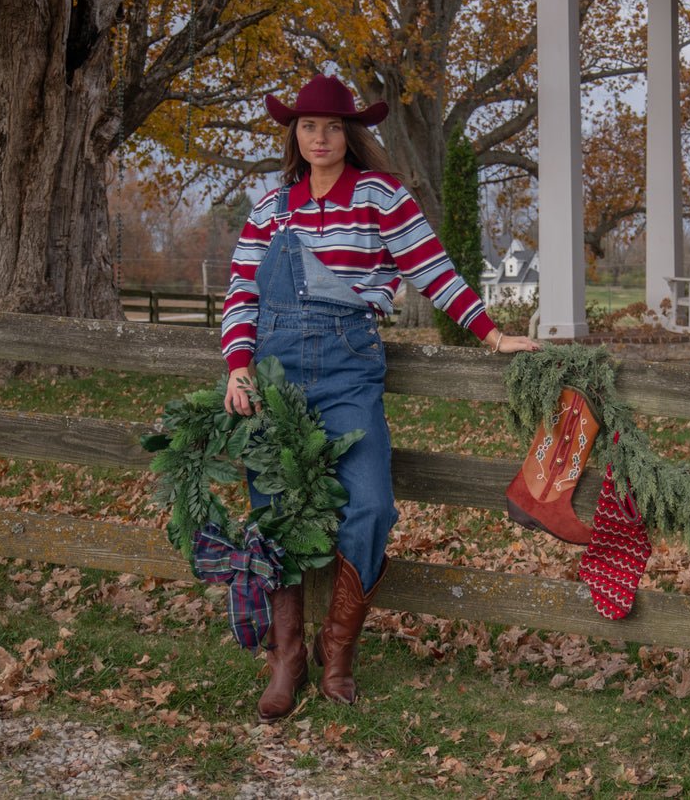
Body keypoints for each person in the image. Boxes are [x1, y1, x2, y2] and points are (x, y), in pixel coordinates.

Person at [220, 72, 539, 719]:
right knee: (273, 511)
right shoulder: (270, 208)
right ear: (294, 133)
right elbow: (241, 292)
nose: (320, 137)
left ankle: (337, 648)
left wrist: (492, 334)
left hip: (348, 370)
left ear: (351, 134)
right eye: (308, 125)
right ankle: (286, 657)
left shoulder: (379, 196)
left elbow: (433, 270)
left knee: (369, 507)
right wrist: (239, 365)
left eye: (333, 127)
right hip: (275, 375)